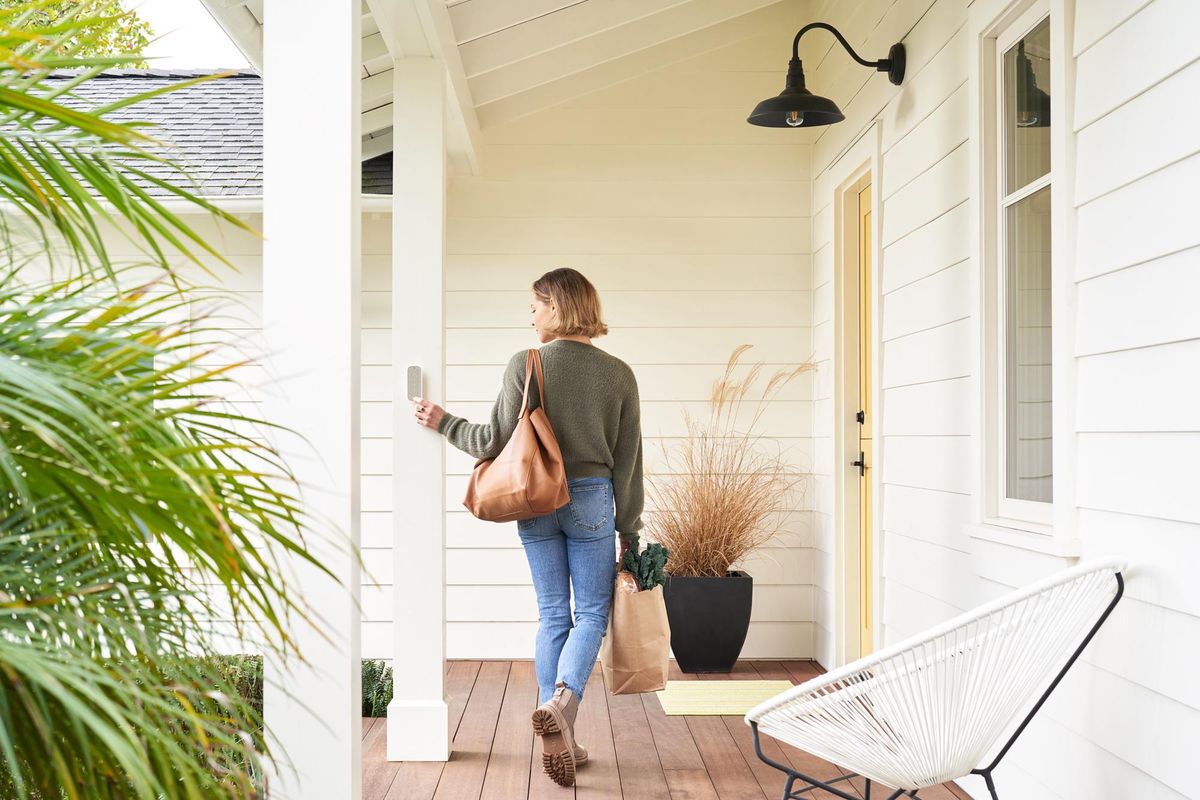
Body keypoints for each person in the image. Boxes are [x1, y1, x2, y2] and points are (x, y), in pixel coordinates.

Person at [410, 267, 644, 787]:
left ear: (558, 308)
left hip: (535, 496)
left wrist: (443, 421)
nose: (531, 314)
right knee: (592, 613)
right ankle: (564, 704)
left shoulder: (526, 363)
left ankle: (555, 722)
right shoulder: (619, 374)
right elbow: (628, 460)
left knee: (553, 613)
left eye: (536, 305)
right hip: (591, 499)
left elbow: (492, 439)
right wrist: (629, 526)